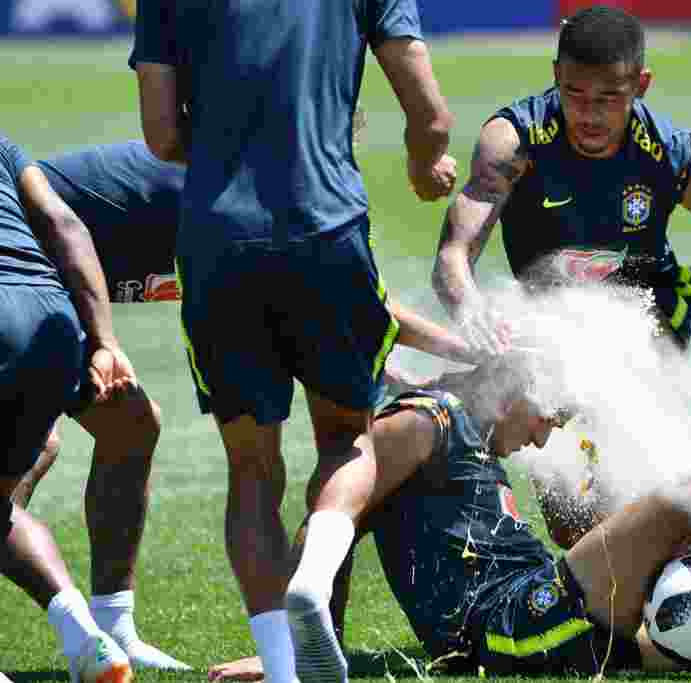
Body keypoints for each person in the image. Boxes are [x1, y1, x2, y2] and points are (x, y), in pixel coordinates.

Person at [207, 355, 691, 682]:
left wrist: (581, 493)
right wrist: (290, 648)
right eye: (553, 412)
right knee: (689, 495)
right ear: (520, 378)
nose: (550, 430)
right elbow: (332, 515)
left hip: (547, 610)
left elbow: (568, 531)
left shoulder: (480, 443)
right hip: (502, 625)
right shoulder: (425, 421)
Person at [131, 0, 457, 681]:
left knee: (251, 471)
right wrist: (427, 166)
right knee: (346, 438)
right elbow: (431, 115)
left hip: (217, 240)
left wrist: (232, 142)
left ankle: (282, 668)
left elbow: (161, 134)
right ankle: (316, 568)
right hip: (325, 227)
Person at [432, 5, 691, 365]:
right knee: (523, 397)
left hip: (650, 307)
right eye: (575, 93)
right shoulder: (516, 141)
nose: (590, 114)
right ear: (556, 75)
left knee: (617, 396)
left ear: (640, 85)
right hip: (551, 312)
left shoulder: (670, 151)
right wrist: (470, 307)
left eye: (609, 97)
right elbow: (454, 253)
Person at [4, 140, 188, 670]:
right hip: (34, 288)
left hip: (45, 297)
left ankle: (113, 630)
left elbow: (298, 317)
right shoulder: (227, 189)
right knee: (39, 445)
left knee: (130, 427)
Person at [0, 131, 135, 683]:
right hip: (51, 323)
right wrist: (104, 339)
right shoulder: (4, 146)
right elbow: (65, 225)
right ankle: (84, 636)